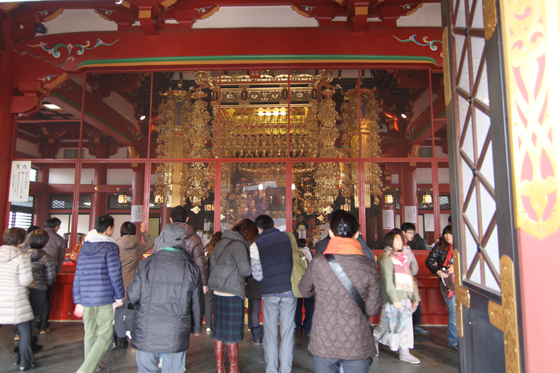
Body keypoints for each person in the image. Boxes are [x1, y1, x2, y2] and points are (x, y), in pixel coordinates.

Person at [298, 210, 382, 373]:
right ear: (357, 234)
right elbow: (373, 309)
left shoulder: (318, 262)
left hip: (325, 339)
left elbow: (304, 290)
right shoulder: (368, 266)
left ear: (330, 233)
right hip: (357, 341)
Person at [128, 223, 204, 373]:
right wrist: (196, 327)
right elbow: (197, 302)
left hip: (146, 328)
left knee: (145, 370)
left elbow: (133, 295)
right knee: (174, 369)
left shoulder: (146, 264)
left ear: (162, 239)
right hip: (176, 329)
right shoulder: (192, 268)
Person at [73, 215, 124, 373]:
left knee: (90, 332)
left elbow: (78, 274)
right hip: (103, 295)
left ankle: (93, 367)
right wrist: (120, 296)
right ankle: (86, 370)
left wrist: (78, 300)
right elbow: (114, 273)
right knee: (105, 334)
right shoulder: (110, 247)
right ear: (109, 229)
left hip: (86, 296)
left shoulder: (85, 246)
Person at [208, 219, 256, 373]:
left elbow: (213, 263)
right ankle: (233, 369)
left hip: (218, 291)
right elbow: (246, 271)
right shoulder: (239, 245)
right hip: (233, 293)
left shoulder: (222, 242)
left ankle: (219, 368)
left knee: (219, 331)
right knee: (232, 332)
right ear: (247, 232)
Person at [251, 215, 296, 373]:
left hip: (269, 292)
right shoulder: (286, 238)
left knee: (270, 334)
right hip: (289, 290)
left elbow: (257, 275)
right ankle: (285, 369)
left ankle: (271, 369)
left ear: (259, 228)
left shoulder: (255, 245)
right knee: (287, 333)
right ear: (273, 224)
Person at [374, 230, 421, 364]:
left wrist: (415, 296)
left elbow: (409, 278)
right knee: (386, 326)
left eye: (401, 239)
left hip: (405, 296)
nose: (401, 242)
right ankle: (373, 340)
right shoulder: (385, 258)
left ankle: (404, 352)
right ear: (390, 241)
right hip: (392, 299)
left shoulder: (403, 257)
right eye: (397, 240)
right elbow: (387, 281)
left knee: (406, 327)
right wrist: (395, 300)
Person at [0, 228, 36, 371]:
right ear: (21, 241)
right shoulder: (22, 257)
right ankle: (25, 362)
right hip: (16, 299)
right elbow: (26, 280)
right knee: (25, 331)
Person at [113, 221, 153, 349]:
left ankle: (119, 338)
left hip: (118, 282)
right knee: (131, 310)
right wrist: (144, 232)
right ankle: (132, 334)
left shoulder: (115, 245)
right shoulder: (138, 246)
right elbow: (150, 244)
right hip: (134, 283)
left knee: (117, 310)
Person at [154, 205, 209, 294]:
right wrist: (204, 284)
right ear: (187, 219)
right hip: (186, 280)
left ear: (170, 219)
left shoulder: (162, 237)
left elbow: (155, 258)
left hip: (163, 278)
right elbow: (200, 264)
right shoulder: (194, 238)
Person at [425, 225, 458, 351]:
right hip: (447, 284)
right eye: (446, 234)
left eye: (450, 234)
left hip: (461, 284)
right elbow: (429, 261)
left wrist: (456, 265)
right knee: (453, 311)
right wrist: (437, 272)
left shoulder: (462, 246)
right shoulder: (440, 247)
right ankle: (454, 341)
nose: (448, 236)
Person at [25, 229, 56, 340]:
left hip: (23, 288)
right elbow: (51, 277)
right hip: (39, 289)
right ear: (45, 242)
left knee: (22, 317)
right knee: (33, 318)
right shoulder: (46, 257)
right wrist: (46, 285)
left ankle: (17, 335)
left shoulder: (22, 255)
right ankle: (28, 345)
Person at [400, 222, 430, 336]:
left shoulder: (409, 247)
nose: (412, 235)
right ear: (403, 233)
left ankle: (413, 325)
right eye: (410, 232)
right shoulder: (405, 249)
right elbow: (414, 268)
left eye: (413, 232)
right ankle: (413, 325)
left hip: (407, 281)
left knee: (413, 302)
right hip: (406, 281)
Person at [40, 217, 66, 334]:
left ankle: (18, 332)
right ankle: (43, 326)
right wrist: (54, 273)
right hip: (47, 274)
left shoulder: (33, 235)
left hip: (30, 273)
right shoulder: (59, 240)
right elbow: (60, 260)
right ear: (56, 227)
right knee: (45, 300)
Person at [294, 238, 314, 337]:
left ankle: (298, 327)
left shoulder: (294, 253)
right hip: (309, 282)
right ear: (306, 243)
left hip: (297, 282)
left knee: (297, 305)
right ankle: (308, 327)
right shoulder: (309, 252)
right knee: (309, 306)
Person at [204, 231, 222, 332]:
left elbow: (204, 263)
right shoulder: (223, 248)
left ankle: (207, 325)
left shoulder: (208, 247)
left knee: (208, 301)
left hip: (209, 276)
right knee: (219, 300)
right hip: (219, 277)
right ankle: (217, 323)